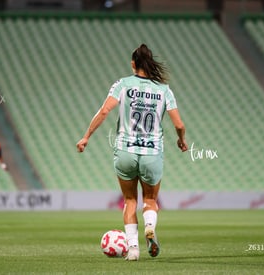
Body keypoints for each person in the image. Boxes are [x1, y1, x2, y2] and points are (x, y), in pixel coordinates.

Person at [76, 44, 188, 261]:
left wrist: (86, 136)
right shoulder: (164, 90)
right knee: (150, 200)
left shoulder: (123, 84)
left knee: (129, 201)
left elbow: (105, 111)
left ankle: (133, 250)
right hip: (152, 153)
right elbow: (180, 125)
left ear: (133, 64)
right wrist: (181, 140)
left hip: (125, 150)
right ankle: (149, 227)